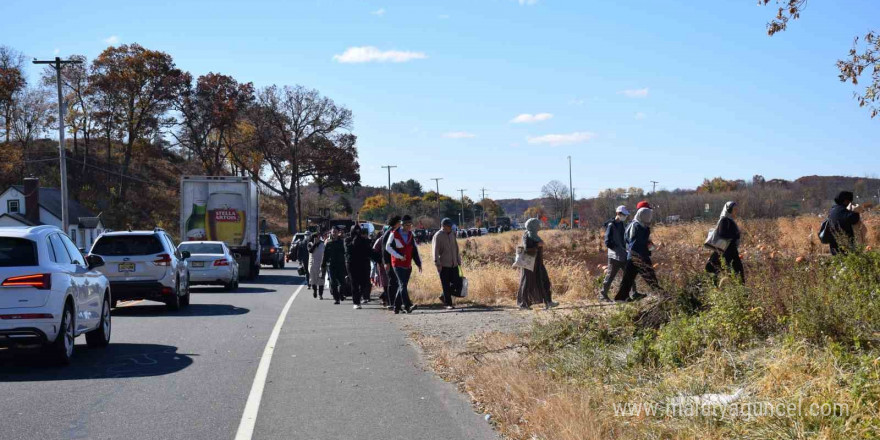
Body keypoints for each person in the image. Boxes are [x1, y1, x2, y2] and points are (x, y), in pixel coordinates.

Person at [615, 206, 659, 302]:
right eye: (648, 216)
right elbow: (637, 243)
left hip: (632, 255)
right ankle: (661, 294)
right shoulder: (639, 227)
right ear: (643, 216)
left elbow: (627, 240)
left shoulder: (632, 224)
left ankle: (621, 298)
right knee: (650, 276)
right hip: (639, 255)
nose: (649, 218)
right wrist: (646, 247)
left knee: (628, 278)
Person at [517, 218, 557, 310]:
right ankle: (524, 304)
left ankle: (548, 302)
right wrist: (537, 245)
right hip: (530, 264)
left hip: (538, 264)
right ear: (533, 225)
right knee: (527, 284)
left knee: (544, 281)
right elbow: (527, 249)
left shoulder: (534, 235)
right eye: (537, 224)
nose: (539, 226)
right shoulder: (527, 235)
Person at [600, 205, 638, 302]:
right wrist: (617, 249)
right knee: (610, 276)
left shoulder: (621, 224)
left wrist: (626, 248)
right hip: (614, 257)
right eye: (624, 214)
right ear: (618, 214)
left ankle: (633, 294)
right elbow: (607, 242)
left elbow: (623, 239)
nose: (625, 216)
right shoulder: (611, 225)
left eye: (626, 215)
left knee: (629, 275)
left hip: (623, 255)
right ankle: (603, 296)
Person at [386, 215, 422, 314]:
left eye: (410, 224)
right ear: (402, 224)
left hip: (408, 264)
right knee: (402, 284)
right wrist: (399, 256)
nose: (409, 226)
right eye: (407, 225)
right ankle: (407, 305)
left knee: (403, 286)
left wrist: (418, 263)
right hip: (397, 264)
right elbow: (388, 247)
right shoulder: (394, 234)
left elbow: (414, 250)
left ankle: (396, 307)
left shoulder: (411, 234)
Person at [705, 201, 744, 283]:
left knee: (734, 272)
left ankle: (734, 291)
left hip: (730, 250)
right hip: (727, 251)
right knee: (736, 272)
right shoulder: (725, 220)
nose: (736, 211)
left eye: (737, 209)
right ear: (729, 210)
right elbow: (722, 233)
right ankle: (739, 292)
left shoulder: (729, 220)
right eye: (734, 209)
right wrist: (735, 235)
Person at [432, 218, 462, 309]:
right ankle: (448, 304)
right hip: (443, 265)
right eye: (449, 226)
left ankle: (443, 296)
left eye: (450, 226)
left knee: (458, 283)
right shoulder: (438, 235)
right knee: (445, 285)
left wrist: (458, 260)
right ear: (444, 226)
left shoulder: (452, 234)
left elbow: (456, 248)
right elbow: (435, 251)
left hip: (454, 264)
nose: (450, 227)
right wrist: (437, 263)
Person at [825, 191, 864, 255]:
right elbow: (855, 219)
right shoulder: (843, 211)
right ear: (845, 201)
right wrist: (856, 210)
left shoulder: (833, 210)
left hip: (833, 246)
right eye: (849, 201)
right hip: (844, 246)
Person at [345, 225, 373, 309]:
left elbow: (369, 251)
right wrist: (355, 240)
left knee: (364, 283)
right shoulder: (347, 240)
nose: (357, 233)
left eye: (358, 231)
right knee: (354, 283)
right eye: (355, 231)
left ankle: (359, 296)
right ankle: (356, 302)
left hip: (362, 264)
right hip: (351, 264)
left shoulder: (364, 240)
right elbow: (349, 249)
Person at [377, 216, 402, 308]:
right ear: (396, 223)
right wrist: (386, 262)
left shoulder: (397, 232)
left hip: (396, 261)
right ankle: (391, 303)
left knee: (396, 282)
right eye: (400, 222)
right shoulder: (389, 233)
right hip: (389, 262)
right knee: (392, 282)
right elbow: (384, 249)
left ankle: (396, 302)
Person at [322, 227, 348, 305]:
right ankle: (336, 299)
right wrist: (323, 265)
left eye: (335, 232)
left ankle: (341, 294)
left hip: (341, 265)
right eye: (333, 232)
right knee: (333, 283)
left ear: (338, 233)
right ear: (331, 233)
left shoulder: (342, 242)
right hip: (331, 265)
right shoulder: (328, 243)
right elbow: (325, 255)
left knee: (342, 283)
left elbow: (346, 253)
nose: (334, 233)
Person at [307, 231, 326, 299]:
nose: (317, 238)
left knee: (321, 281)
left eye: (318, 237)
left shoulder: (322, 244)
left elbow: (325, 253)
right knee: (313, 280)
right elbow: (310, 251)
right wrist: (315, 244)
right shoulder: (310, 244)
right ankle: (315, 290)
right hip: (312, 265)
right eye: (316, 237)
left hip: (321, 265)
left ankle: (320, 295)